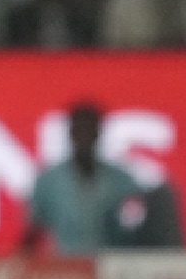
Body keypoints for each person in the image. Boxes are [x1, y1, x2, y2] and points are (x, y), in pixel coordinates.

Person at [22, 102, 141, 254]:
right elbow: (32, 231)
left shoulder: (122, 181)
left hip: (110, 264)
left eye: (89, 130)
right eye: (79, 130)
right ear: (71, 132)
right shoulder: (48, 181)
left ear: (98, 133)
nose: (84, 136)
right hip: (65, 268)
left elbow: (137, 229)